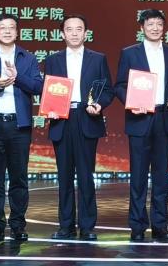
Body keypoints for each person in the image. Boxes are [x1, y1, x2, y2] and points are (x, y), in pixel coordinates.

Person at [114, 9, 168, 242]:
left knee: (161, 176)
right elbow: (120, 85)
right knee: (138, 175)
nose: (155, 28)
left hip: (164, 117)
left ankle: (160, 225)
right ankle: (137, 225)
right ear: (142, 27)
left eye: (159, 24)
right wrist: (131, 103)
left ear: (164, 28)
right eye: (150, 24)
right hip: (139, 118)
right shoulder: (129, 53)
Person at [0, 13, 43, 243]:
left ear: (17, 31)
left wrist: (17, 78)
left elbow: (38, 86)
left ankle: (18, 225)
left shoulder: (27, 58)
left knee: (19, 178)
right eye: (2, 27)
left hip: (19, 125)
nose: (7, 31)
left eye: (11, 27)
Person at [44, 15, 114, 241]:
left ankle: (87, 226)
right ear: (62, 34)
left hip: (87, 117)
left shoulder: (98, 59)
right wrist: (50, 108)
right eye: (69, 29)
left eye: (79, 29)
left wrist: (99, 105)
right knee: (64, 176)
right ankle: (65, 226)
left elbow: (107, 90)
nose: (74, 33)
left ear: (86, 33)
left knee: (86, 176)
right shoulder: (53, 60)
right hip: (61, 119)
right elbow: (48, 89)